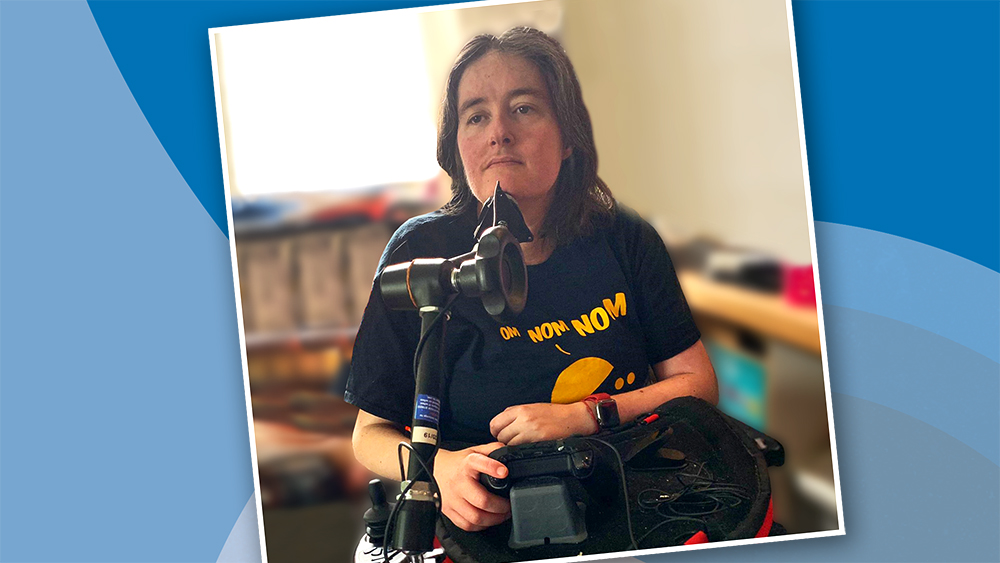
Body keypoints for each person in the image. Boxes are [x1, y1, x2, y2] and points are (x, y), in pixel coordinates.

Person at [345, 27, 718, 533]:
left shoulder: (625, 239)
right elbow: (369, 434)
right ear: (458, 148)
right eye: (476, 116)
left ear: (568, 138)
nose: (499, 131)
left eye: (523, 108)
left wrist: (589, 415)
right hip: (486, 513)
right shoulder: (420, 254)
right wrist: (441, 469)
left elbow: (698, 384)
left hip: (630, 494)